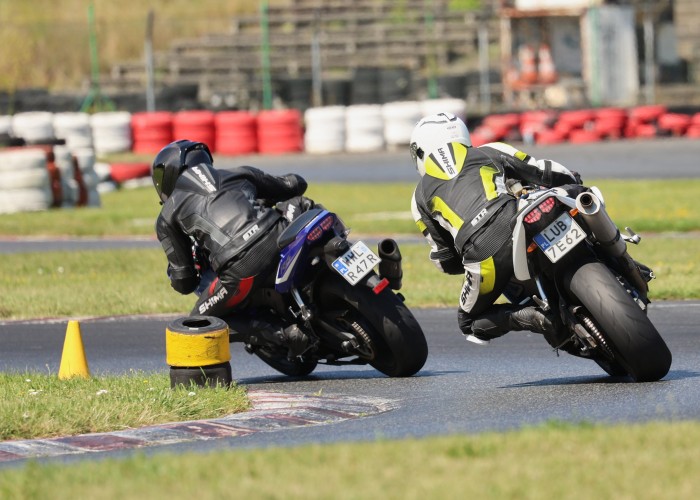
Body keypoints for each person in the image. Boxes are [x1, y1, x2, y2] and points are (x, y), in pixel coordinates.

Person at [409, 112, 583, 345]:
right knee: (576, 196)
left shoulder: (418, 197)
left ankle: (536, 318)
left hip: (484, 255)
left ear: (420, 151)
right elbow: (543, 170)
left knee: (468, 323)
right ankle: (621, 257)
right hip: (518, 218)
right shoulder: (490, 150)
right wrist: (573, 179)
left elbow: (445, 260)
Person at [151, 139, 313, 353]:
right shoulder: (237, 173)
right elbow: (295, 184)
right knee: (302, 204)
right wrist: (263, 199)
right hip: (280, 234)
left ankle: (281, 333)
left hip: (241, 268)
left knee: (198, 322)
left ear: (171, 172)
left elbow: (184, 282)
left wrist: (180, 272)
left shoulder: (167, 216)